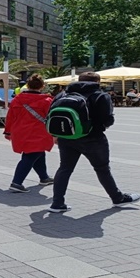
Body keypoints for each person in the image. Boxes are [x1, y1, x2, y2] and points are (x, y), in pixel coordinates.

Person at [48, 72, 139, 212]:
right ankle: (117, 198)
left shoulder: (62, 95)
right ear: (97, 81)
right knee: (102, 169)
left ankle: (57, 203)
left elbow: (51, 115)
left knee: (65, 168)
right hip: (93, 138)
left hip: (67, 138)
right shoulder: (101, 95)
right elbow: (107, 120)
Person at [2, 74, 55, 193]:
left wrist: (8, 131)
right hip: (38, 133)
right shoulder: (47, 101)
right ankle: (17, 182)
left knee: (38, 154)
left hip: (20, 132)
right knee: (30, 156)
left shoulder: (17, 99)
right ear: (42, 86)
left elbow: (10, 117)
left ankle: (44, 177)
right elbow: (51, 117)